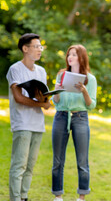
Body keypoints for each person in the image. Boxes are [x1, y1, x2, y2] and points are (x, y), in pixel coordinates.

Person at [6, 33, 51, 201]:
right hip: (22, 123)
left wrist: (46, 100)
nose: (40, 50)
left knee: (30, 166)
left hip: (37, 124)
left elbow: (42, 97)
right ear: (25, 49)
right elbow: (18, 98)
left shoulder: (41, 71)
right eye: (36, 46)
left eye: (41, 46)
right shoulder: (15, 69)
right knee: (19, 165)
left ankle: (24, 197)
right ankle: (15, 198)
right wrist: (41, 104)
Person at [51, 44, 97, 201]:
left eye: (74, 54)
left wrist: (84, 91)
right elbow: (55, 102)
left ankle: (82, 196)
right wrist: (57, 90)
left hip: (80, 118)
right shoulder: (61, 75)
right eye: (69, 54)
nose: (70, 57)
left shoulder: (90, 79)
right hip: (61, 116)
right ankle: (58, 196)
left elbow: (91, 105)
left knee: (82, 161)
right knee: (57, 160)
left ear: (82, 58)